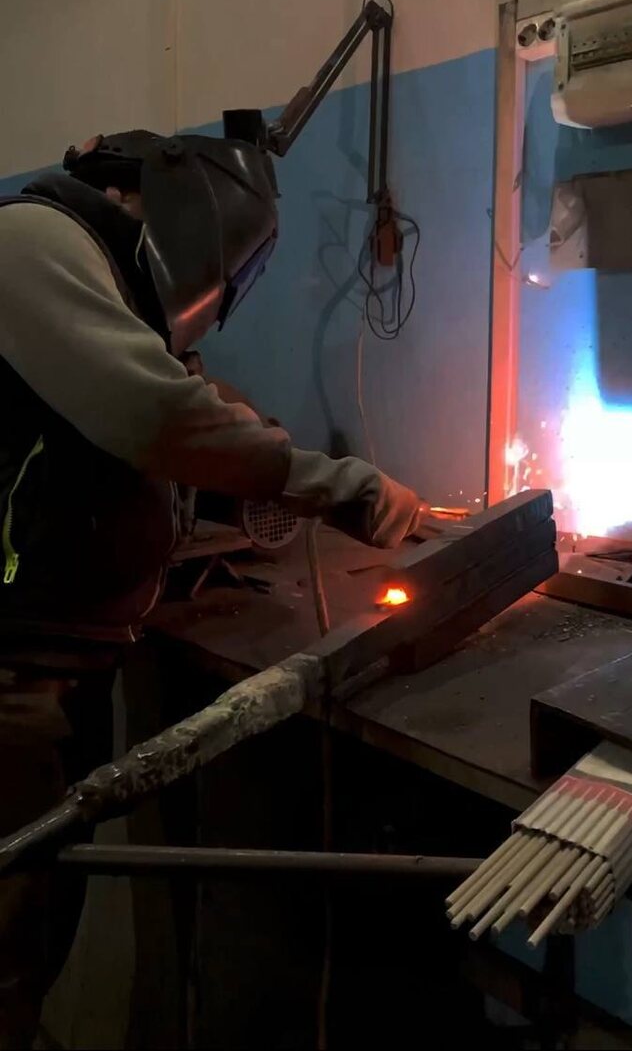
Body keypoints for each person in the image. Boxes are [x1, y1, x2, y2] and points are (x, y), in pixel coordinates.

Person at [0, 129, 424, 1046]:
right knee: (6, 944)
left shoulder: (108, 291)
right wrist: (337, 486)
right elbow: (157, 414)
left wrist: (263, 466)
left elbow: (185, 407)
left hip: (62, 671)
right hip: (9, 675)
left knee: (33, 933)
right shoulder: (29, 242)